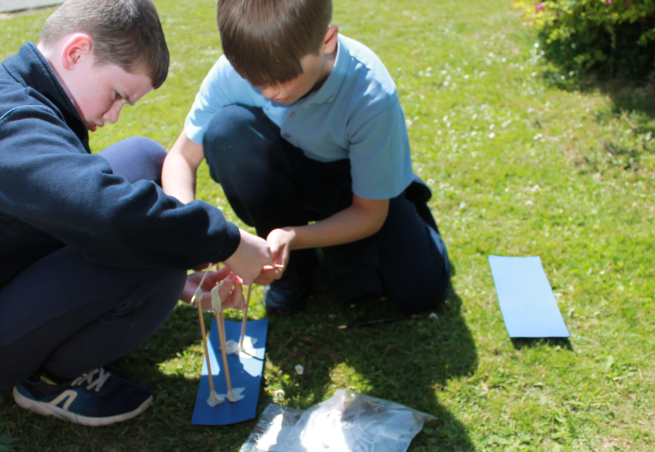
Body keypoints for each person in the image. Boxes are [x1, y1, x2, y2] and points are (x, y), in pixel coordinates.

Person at [0, 0, 272, 427]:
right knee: (152, 264)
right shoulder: (6, 128)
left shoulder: (28, 94)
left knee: (144, 157)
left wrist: (185, 275)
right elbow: (106, 213)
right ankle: (47, 380)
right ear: (76, 52)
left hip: (0, 269)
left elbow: (73, 208)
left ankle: (102, 304)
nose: (112, 116)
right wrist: (227, 241)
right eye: (116, 96)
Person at [162, 0, 450, 316]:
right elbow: (181, 158)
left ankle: (406, 206)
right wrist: (200, 232)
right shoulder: (232, 71)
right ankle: (294, 267)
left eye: (283, 78)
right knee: (228, 130)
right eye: (255, 81)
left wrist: (295, 236)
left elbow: (369, 212)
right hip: (287, 175)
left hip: (354, 188)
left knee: (421, 292)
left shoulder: (371, 93)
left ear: (327, 42)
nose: (270, 92)